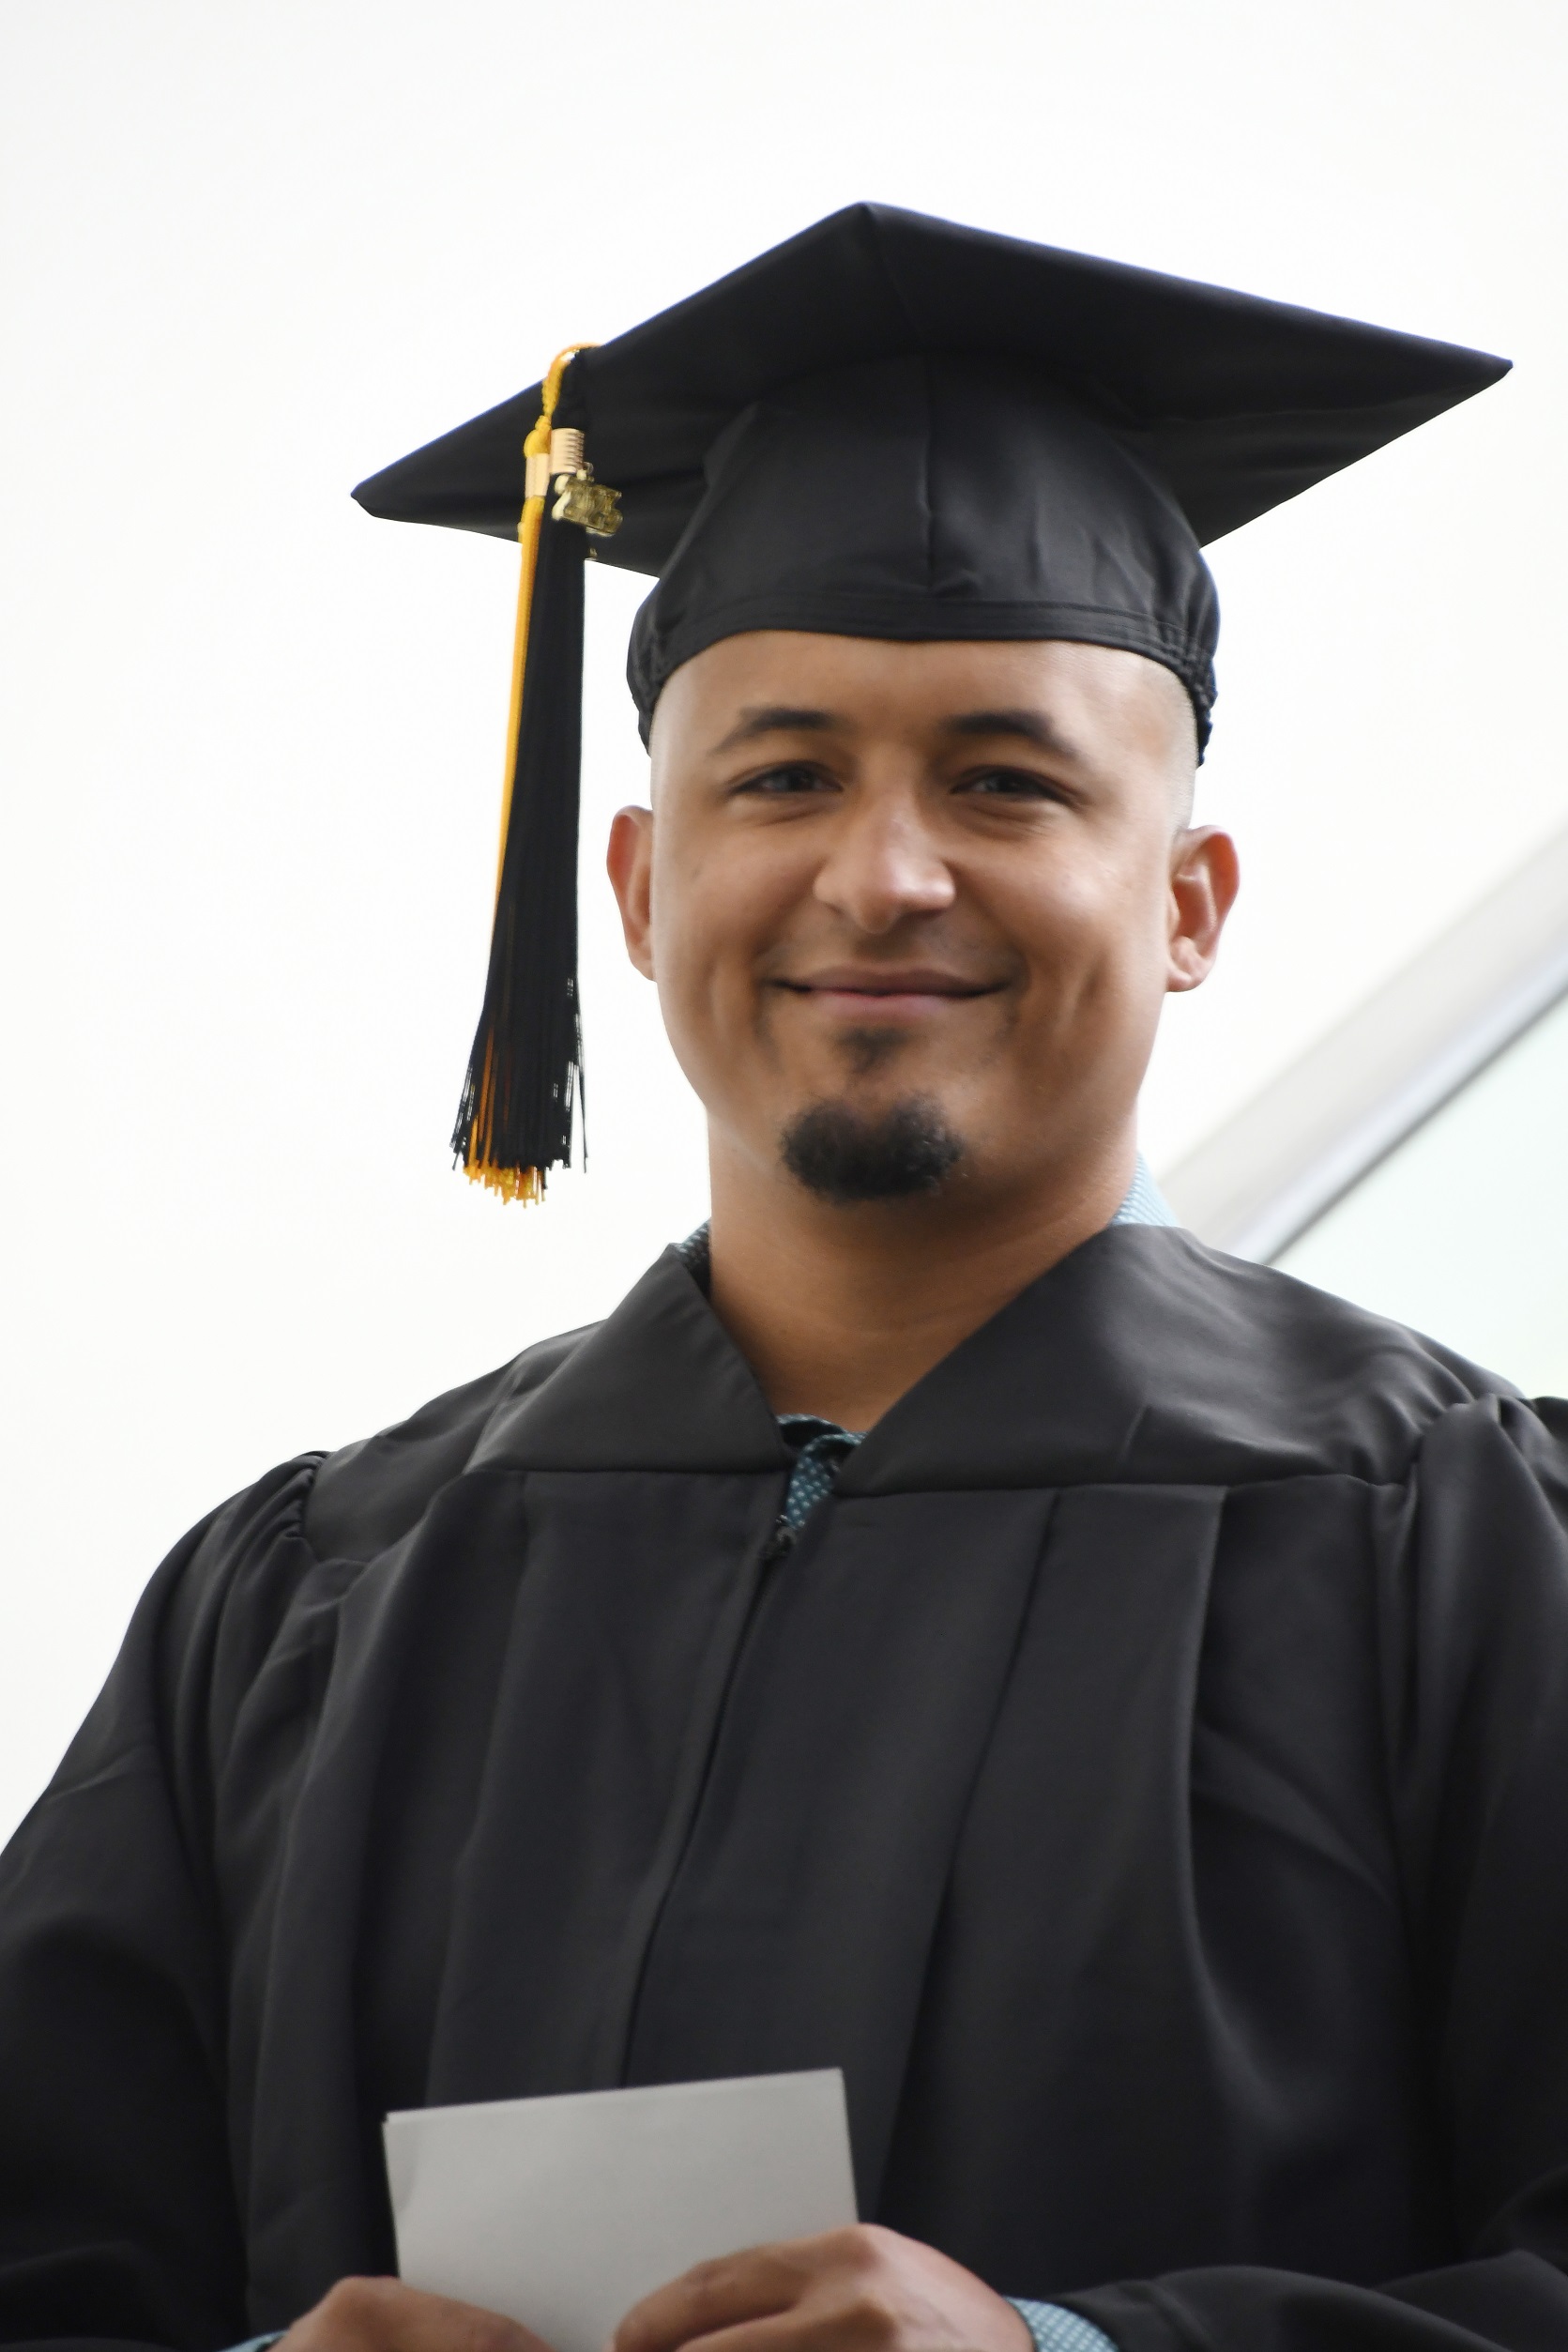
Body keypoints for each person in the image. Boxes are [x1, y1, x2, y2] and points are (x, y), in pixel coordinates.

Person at [1, 203, 1560, 2352]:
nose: (883, 870)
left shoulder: (1459, 1547)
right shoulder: (295, 1606)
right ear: (638, 887)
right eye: (784, 775)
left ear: (1188, 898)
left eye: (1004, 780)